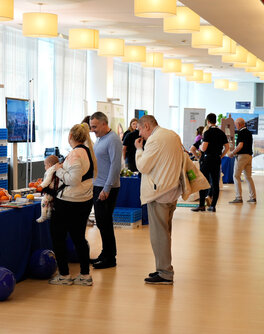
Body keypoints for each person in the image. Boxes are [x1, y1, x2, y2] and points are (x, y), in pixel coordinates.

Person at [134, 115, 183, 285]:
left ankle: (164, 272)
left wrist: (139, 150)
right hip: (171, 191)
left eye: (140, 129)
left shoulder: (154, 140)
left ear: (146, 126)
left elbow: (142, 166)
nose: (140, 134)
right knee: (165, 233)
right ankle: (163, 268)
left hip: (159, 193)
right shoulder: (172, 135)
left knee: (159, 234)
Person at [48, 123, 96, 286]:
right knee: (79, 238)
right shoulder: (88, 152)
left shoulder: (75, 154)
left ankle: (64, 275)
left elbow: (73, 180)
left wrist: (57, 169)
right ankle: (84, 275)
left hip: (69, 202)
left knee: (58, 237)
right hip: (83, 200)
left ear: (70, 136)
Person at [89, 112, 122, 269]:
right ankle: (105, 253)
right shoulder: (100, 138)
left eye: (95, 126)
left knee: (105, 223)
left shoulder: (113, 139)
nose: (93, 129)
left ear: (104, 124)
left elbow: (116, 166)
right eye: (91, 127)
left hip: (106, 187)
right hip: (98, 185)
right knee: (102, 223)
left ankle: (110, 258)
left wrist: (107, 188)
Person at [191, 113, 229, 213]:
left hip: (207, 160)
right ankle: (213, 206)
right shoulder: (221, 133)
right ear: (215, 121)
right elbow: (227, 147)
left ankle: (201, 205)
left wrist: (200, 148)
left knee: (203, 182)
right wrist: (221, 156)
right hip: (216, 159)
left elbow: (203, 148)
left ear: (208, 121)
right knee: (215, 182)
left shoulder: (207, 133)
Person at [227, 118, 257, 204]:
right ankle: (253, 197)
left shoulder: (241, 132)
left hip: (242, 156)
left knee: (236, 176)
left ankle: (238, 197)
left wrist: (232, 153)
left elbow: (240, 146)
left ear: (239, 124)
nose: (235, 126)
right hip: (249, 156)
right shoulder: (248, 132)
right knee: (248, 177)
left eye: (236, 124)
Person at [36, 155, 60, 223]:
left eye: (45, 165)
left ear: (49, 165)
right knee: (50, 203)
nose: (45, 167)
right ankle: (49, 214)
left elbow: (47, 180)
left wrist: (41, 185)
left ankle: (43, 216)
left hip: (51, 190)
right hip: (56, 191)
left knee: (44, 201)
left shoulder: (50, 170)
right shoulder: (57, 169)